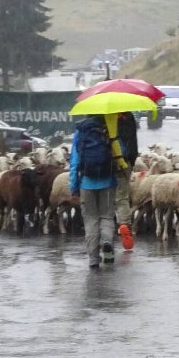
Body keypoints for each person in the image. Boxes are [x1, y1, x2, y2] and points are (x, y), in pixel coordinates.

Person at [69, 115, 118, 269]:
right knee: (107, 216)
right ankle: (107, 242)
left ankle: (93, 260)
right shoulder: (109, 128)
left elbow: (74, 162)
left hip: (86, 183)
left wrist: (74, 186)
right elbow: (119, 153)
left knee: (90, 220)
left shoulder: (80, 131)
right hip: (108, 181)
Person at [114, 111, 138, 250]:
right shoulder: (129, 117)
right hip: (125, 162)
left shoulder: (104, 116)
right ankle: (124, 224)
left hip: (106, 162)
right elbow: (133, 143)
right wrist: (131, 163)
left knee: (106, 194)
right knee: (122, 196)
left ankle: (106, 225)